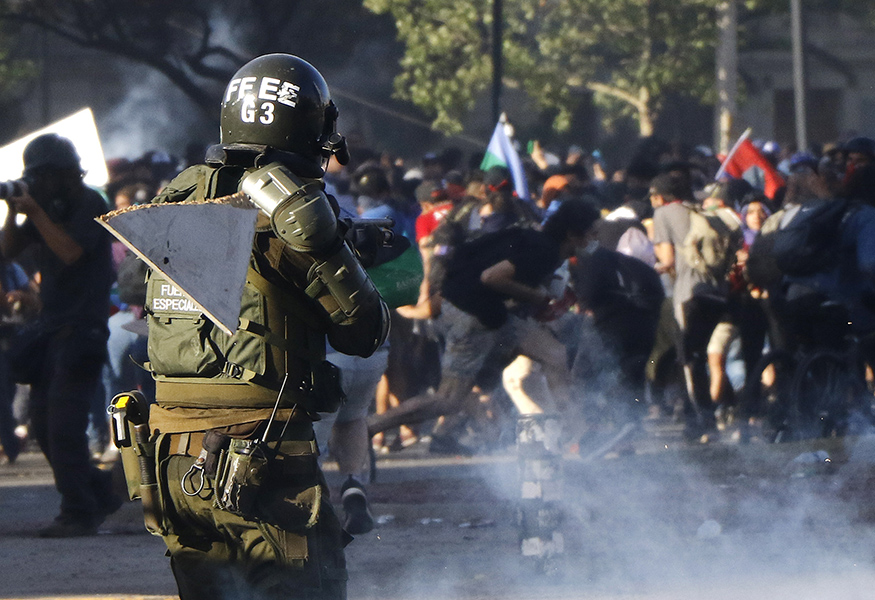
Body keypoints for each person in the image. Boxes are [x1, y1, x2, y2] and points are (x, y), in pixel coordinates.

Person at [140, 54, 389, 600]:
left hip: (170, 460)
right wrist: (333, 249)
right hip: (262, 460)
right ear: (308, 129)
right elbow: (362, 331)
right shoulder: (295, 216)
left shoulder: (178, 196)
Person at [367, 198, 601, 452]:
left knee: (554, 354)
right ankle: (370, 425)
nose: (596, 239)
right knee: (449, 400)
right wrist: (537, 297)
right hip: (471, 316)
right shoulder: (543, 250)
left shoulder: (538, 244)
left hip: (489, 313)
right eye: (592, 233)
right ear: (572, 233)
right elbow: (492, 277)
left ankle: (581, 434)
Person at [0, 133, 120, 536]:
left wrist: (34, 211)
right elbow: (7, 252)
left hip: (81, 331)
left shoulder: (90, 203)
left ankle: (78, 512)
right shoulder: (47, 209)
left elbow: (69, 252)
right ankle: (100, 491)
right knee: (42, 422)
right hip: (52, 331)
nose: (38, 184)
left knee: (65, 427)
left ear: (62, 174)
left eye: (42, 176)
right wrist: (14, 212)